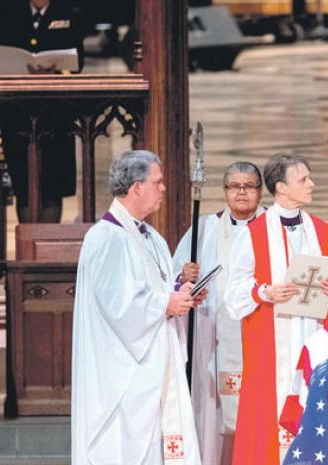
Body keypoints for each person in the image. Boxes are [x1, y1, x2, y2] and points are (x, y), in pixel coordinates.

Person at [71, 150, 203, 465]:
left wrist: (181, 292)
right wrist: (166, 303)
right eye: (157, 182)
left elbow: (151, 289)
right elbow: (119, 305)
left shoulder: (151, 236)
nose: (163, 189)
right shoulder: (106, 238)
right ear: (136, 187)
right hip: (123, 374)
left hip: (155, 365)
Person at [224, 153, 328, 465]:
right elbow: (233, 292)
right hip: (272, 346)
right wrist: (264, 291)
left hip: (315, 339)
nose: (311, 184)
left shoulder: (321, 230)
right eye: (303, 180)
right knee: (270, 415)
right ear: (281, 188)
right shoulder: (252, 234)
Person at [172, 162, 266, 465]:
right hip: (214, 340)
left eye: (248, 186)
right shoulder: (204, 228)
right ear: (225, 190)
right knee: (212, 415)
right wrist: (184, 276)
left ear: (260, 190)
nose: (241, 192)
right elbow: (174, 279)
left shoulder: (273, 229)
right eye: (234, 186)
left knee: (261, 410)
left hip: (261, 336)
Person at [0, 0, 84, 223]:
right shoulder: (6, 14)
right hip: (18, 112)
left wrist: (57, 71)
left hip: (56, 112)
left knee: (53, 184)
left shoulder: (68, 13)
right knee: (23, 183)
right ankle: (28, 245)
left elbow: (78, 61)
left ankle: (48, 244)